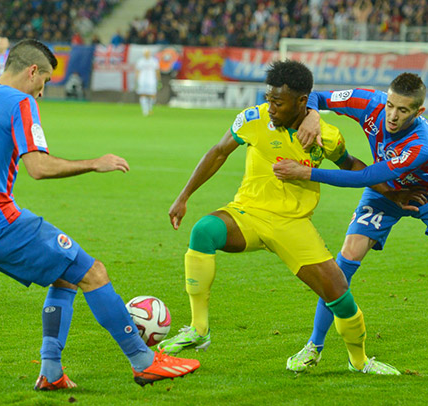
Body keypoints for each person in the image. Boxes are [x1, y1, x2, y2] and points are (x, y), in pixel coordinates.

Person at [0, 39, 200, 390]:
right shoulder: (20, 102)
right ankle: (144, 361)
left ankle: (51, 371)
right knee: (93, 272)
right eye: (44, 81)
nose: (42, 92)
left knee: (65, 274)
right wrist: (95, 163)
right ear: (32, 71)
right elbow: (39, 168)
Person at [158, 60, 405, 376]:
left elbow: (351, 164)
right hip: (248, 214)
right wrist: (183, 197)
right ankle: (199, 328)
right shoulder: (253, 119)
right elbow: (218, 152)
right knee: (204, 230)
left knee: (338, 293)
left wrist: (393, 194)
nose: (270, 106)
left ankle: (359, 361)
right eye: (268, 98)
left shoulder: (326, 136)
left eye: (278, 101)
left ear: (302, 102)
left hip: (294, 225)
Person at [272, 73, 428, 374]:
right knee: (344, 262)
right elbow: (317, 95)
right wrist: (311, 114)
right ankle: (314, 346)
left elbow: (364, 177)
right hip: (386, 194)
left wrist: (305, 173)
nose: (392, 115)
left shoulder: (421, 144)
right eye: (390, 105)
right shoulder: (368, 102)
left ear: (419, 112)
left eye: (403, 110)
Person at [134, 49, 160, 116]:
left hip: (151, 80)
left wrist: (158, 80)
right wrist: (136, 80)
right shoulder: (140, 61)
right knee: (143, 94)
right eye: (145, 53)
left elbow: (157, 71)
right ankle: (145, 110)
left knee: (152, 95)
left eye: (148, 53)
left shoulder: (154, 61)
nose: (147, 54)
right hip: (142, 80)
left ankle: (150, 108)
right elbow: (137, 71)